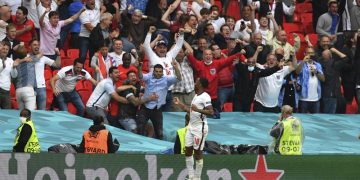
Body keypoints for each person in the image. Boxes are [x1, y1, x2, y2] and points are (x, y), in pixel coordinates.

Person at [173, 77, 214, 180]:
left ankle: (197, 178)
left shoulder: (205, 97)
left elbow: (211, 112)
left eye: (197, 82)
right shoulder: (196, 96)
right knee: (187, 151)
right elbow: (190, 110)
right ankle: (191, 177)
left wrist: (199, 110)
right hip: (191, 127)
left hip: (200, 129)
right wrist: (180, 104)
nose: (195, 83)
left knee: (198, 152)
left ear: (200, 85)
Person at [136, 62, 182, 139]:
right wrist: (139, 68)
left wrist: (176, 67)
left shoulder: (166, 79)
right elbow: (140, 76)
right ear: (153, 71)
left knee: (159, 133)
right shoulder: (149, 77)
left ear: (162, 72)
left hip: (157, 109)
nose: (158, 73)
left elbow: (179, 78)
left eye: (160, 72)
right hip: (145, 108)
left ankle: (159, 149)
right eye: (156, 71)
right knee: (140, 129)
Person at [0, 41, 18, 109]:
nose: (5, 51)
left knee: (6, 114)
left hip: (6, 91)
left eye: (7, 49)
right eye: (3, 49)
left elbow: (14, 76)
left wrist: (14, 68)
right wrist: (2, 66)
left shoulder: (10, 61)